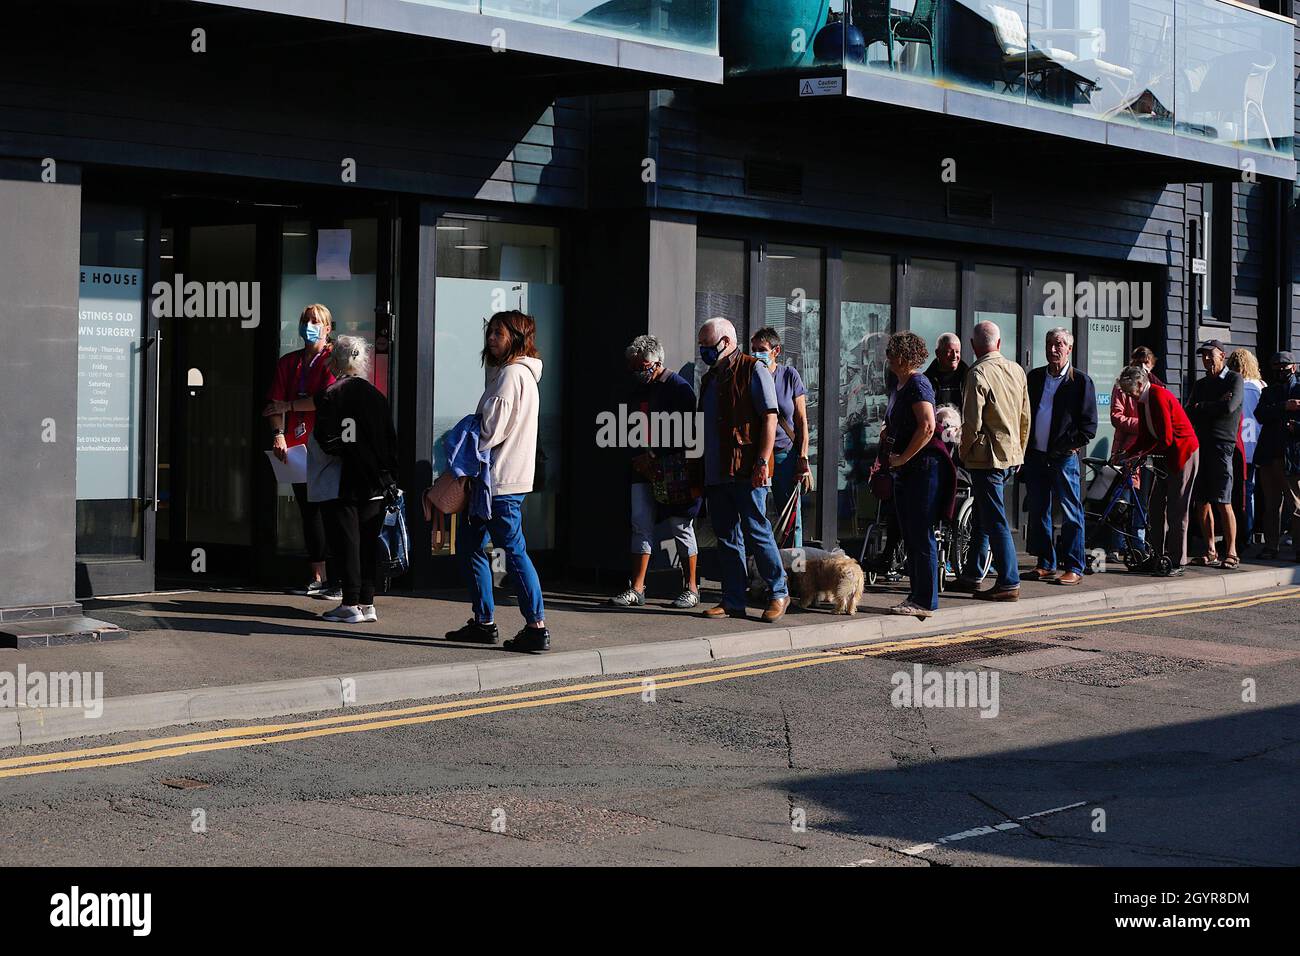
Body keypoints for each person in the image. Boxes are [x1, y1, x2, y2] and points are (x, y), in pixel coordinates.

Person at [445, 311, 550, 653]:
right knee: (471, 547)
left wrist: (463, 431)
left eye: (498, 334)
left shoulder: (510, 377)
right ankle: (484, 622)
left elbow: (489, 433)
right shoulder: (520, 376)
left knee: (513, 552)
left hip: (499, 483)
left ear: (516, 338)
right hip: (501, 481)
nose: (491, 339)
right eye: (489, 332)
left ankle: (536, 627)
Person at [697, 317, 789, 623]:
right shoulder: (710, 378)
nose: (703, 351)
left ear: (725, 342)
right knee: (726, 537)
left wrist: (762, 461)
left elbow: (770, 417)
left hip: (747, 469)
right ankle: (733, 600)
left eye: (707, 346)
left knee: (757, 531)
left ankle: (778, 592)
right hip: (717, 470)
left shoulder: (753, 368)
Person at [607, 334, 701, 609]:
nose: (636, 372)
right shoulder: (639, 389)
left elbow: (687, 432)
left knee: (680, 526)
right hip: (642, 469)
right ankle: (637, 588)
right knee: (641, 524)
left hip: (673, 470)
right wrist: (639, 455)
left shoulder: (679, 389)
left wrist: (654, 455)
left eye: (640, 366)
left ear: (656, 362)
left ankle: (692, 588)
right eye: (633, 367)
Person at [310, 336, 398, 623]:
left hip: (342, 480)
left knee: (346, 542)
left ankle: (349, 603)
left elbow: (327, 439)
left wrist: (348, 453)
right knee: (369, 542)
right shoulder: (377, 396)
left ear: (336, 361)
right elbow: (389, 441)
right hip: (374, 481)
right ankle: (367, 603)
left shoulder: (330, 394)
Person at [263, 303, 337, 598]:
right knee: (309, 513)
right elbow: (273, 404)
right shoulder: (289, 362)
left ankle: (338, 577)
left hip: (326, 446)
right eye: (306, 320)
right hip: (296, 448)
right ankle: (317, 576)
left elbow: (324, 399)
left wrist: (290, 406)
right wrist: (278, 434)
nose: (310, 325)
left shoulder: (333, 361)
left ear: (327, 328)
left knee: (330, 511)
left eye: (316, 321)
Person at [955, 320, 1031, 601]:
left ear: (974, 346)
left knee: (995, 518)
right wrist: (1020, 450)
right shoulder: (1016, 370)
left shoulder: (977, 374)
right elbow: (1025, 416)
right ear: (998, 344)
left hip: (986, 458)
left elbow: (971, 424)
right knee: (983, 517)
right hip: (1010, 455)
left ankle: (1009, 581)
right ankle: (973, 575)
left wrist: (963, 452)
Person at [884, 331, 955, 619]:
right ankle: (916, 595)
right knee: (910, 533)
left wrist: (902, 457)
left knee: (920, 533)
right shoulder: (901, 384)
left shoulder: (918, 383)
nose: (887, 357)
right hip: (906, 471)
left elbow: (926, 427)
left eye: (890, 352)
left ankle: (925, 600)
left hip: (923, 471)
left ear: (902, 356)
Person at [1023, 328, 1097, 586]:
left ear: (1069, 349)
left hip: (1063, 458)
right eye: (1049, 344)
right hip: (1036, 457)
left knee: (1070, 512)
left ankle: (1075, 566)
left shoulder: (1081, 382)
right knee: (1038, 510)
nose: (1053, 349)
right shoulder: (1034, 378)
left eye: (1059, 344)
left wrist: (1067, 446)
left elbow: (1088, 427)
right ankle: (1045, 563)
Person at [1116, 365, 1200, 573]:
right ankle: (1156, 555)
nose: (1128, 396)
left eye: (1129, 391)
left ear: (1139, 384)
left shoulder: (1158, 395)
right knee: (1154, 507)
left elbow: (1167, 437)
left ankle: (1177, 560)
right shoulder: (1143, 400)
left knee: (1177, 509)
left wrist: (1139, 456)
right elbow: (1145, 436)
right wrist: (1126, 453)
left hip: (1182, 453)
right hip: (1163, 455)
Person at [750, 328, 811, 548]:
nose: (757, 354)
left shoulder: (789, 375)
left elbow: (802, 420)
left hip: (785, 454)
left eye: (762, 350)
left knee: (791, 517)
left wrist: (803, 457)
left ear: (776, 351)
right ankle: (762, 568)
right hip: (758, 456)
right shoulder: (750, 375)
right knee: (757, 515)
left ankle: (794, 569)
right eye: (754, 349)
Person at [1185, 340, 1243, 568]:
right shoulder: (1200, 384)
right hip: (1202, 444)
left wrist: (1202, 407)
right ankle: (1210, 551)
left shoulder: (1234, 379)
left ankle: (1231, 551)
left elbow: (1229, 408)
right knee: (1202, 501)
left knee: (1223, 500)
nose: (1206, 359)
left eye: (1211, 354)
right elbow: (1189, 411)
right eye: (1204, 355)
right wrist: (1209, 406)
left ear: (1223, 355)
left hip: (1222, 445)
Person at [1107, 346, 1159, 558]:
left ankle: (1138, 546)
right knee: (1121, 501)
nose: (1141, 367)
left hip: (1147, 452)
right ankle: (1115, 545)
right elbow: (1115, 416)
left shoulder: (1156, 385)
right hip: (1126, 451)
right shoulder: (1121, 386)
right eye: (1137, 363)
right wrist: (1144, 425)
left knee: (1142, 502)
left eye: (1145, 363)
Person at [1254, 351, 1300, 561]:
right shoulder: (1269, 391)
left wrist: (1296, 426)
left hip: (1291, 456)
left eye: (1284, 366)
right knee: (1271, 505)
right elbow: (1260, 414)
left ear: (1294, 367)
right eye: (1276, 366)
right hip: (1269, 454)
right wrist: (1284, 407)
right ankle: (1271, 546)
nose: (1280, 370)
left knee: (1296, 505)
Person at [1227, 348, 1264, 551]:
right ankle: (1249, 532)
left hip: (1238, 443)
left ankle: (1239, 533)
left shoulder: (1235, 386)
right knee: (1250, 491)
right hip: (1256, 443)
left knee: (1237, 492)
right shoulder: (1260, 386)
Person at [924, 332, 969, 413]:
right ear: (937, 353)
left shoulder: (969, 377)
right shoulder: (926, 381)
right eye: (949, 351)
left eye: (957, 351)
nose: (954, 356)